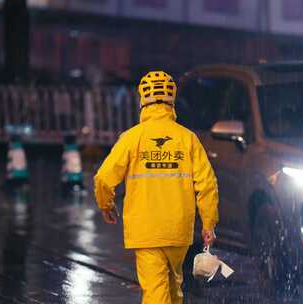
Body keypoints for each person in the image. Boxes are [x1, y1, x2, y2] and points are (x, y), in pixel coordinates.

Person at [93, 71, 219, 304]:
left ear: (143, 100)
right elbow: (207, 183)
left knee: (155, 291)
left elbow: (103, 178)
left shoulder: (132, 138)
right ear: (172, 101)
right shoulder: (187, 138)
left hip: (146, 230)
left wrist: (106, 204)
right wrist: (209, 223)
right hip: (178, 231)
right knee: (174, 287)